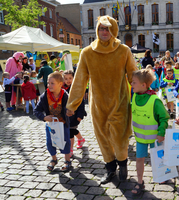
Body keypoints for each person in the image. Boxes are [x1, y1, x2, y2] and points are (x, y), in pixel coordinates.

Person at [66, 15, 137, 184]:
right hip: (98, 105)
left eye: (107, 28)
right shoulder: (88, 52)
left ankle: (123, 164)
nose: (104, 31)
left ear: (114, 30)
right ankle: (110, 168)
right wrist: (72, 104)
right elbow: (79, 80)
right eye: (101, 28)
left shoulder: (123, 50)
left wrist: (145, 91)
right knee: (103, 138)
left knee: (119, 138)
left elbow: (133, 75)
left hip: (119, 102)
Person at [130, 69, 169, 196]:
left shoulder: (155, 100)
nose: (131, 84)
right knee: (139, 160)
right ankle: (140, 182)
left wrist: (161, 133)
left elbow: (164, 117)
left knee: (157, 159)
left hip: (154, 139)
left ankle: (162, 175)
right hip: (140, 139)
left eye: (134, 82)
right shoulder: (135, 96)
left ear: (143, 85)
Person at [34, 72, 71, 172]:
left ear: (60, 84)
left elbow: (71, 107)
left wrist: (70, 111)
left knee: (66, 142)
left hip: (63, 124)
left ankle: (67, 161)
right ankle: (54, 159)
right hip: (51, 125)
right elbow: (36, 111)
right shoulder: (44, 96)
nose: (49, 85)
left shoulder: (65, 96)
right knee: (50, 142)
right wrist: (44, 117)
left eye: (52, 83)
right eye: (48, 83)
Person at [62, 70, 86, 157]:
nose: (68, 80)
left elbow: (81, 103)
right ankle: (81, 139)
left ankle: (70, 149)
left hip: (75, 115)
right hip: (66, 115)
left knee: (70, 132)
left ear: (74, 78)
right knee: (72, 130)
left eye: (70, 78)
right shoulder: (63, 89)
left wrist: (80, 115)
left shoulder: (76, 89)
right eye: (66, 78)